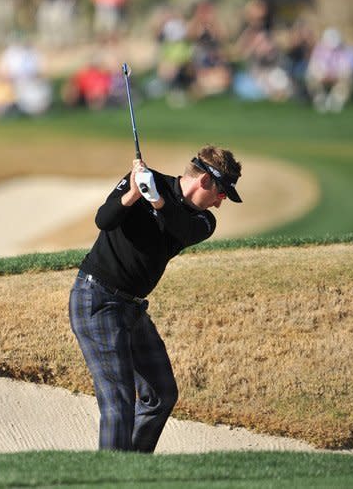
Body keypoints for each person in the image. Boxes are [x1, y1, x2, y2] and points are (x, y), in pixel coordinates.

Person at [69, 145, 243, 452]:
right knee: (119, 402)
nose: (219, 203)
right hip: (96, 298)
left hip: (132, 309)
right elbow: (104, 219)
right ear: (205, 182)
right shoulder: (148, 181)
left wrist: (158, 202)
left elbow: (181, 228)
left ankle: (131, 470)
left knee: (161, 393)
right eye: (222, 194)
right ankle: (112, 479)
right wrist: (133, 193)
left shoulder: (203, 222)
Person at [305, 27, 353, 113]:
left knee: (348, 78)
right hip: (322, 76)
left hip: (337, 76)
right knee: (310, 77)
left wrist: (335, 76)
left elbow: (346, 67)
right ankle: (320, 100)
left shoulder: (344, 50)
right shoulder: (319, 49)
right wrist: (322, 75)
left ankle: (336, 101)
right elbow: (315, 66)